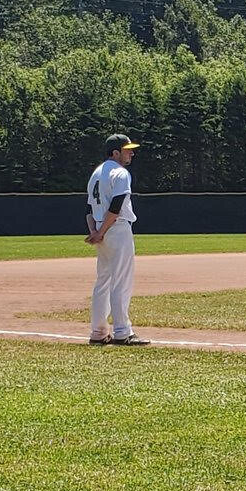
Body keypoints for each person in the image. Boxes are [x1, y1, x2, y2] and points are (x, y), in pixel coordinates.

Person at [84, 133, 148, 347]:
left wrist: (95, 231)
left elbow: (89, 208)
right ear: (115, 153)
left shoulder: (96, 173)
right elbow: (116, 206)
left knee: (103, 281)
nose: (131, 153)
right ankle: (122, 332)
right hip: (116, 229)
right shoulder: (120, 173)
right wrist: (101, 231)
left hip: (102, 231)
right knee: (121, 281)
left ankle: (98, 331)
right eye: (127, 149)